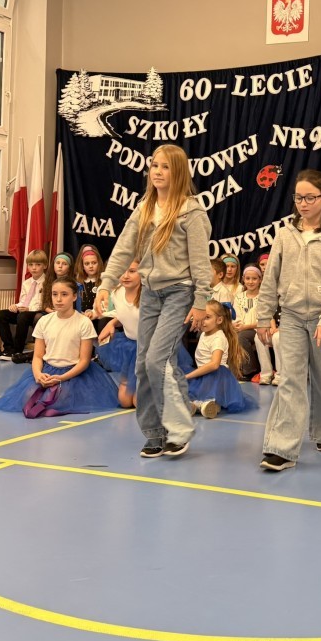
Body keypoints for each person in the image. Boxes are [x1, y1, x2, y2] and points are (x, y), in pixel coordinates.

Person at [94, 145, 212, 459]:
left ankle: (179, 430)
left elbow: (201, 262)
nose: (157, 172)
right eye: (154, 165)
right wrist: (106, 284)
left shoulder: (191, 211)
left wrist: (201, 300)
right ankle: (155, 433)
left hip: (179, 292)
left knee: (157, 360)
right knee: (143, 364)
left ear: (179, 172)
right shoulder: (145, 208)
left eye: (165, 167)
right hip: (150, 293)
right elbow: (123, 248)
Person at [257, 169, 321, 471]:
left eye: (310, 198)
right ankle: (281, 449)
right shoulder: (285, 235)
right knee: (290, 381)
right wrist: (263, 315)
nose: (304, 204)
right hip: (293, 317)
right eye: (299, 198)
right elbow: (270, 278)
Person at [0, 277, 119, 417]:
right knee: (28, 396)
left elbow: (84, 361)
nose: (58, 299)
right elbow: (38, 356)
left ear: (74, 296)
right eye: (55, 294)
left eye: (64, 294)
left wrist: (62, 378)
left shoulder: (83, 322)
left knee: (60, 399)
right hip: (48, 370)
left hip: (74, 373)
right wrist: (38, 375)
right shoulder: (44, 321)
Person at [186, 299, 258, 417]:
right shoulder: (204, 333)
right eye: (202, 317)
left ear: (219, 320)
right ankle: (200, 404)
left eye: (207, 317)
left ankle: (208, 404)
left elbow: (214, 365)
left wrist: (189, 376)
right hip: (205, 375)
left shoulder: (218, 338)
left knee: (192, 381)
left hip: (217, 377)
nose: (203, 321)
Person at [97, 260, 142, 409]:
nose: (126, 276)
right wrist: (112, 323)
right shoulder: (116, 293)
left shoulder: (150, 295)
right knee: (124, 401)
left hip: (151, 348)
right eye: (122, 271)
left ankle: (182, 399)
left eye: (132, 271)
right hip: (131, 347)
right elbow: (126, 313)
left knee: (139, 402)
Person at [0, 249, 47, 360]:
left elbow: (43, 303)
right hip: (24, 310)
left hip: (37, 312)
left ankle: (17, 351)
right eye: (31, 265)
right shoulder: (26, 283)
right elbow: (23, 300)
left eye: (38, 264)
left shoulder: (47, 282)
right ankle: (8, 349)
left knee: (22, 316)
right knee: (1, 314)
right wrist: (16, 306)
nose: (34, 268)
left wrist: (28, 308)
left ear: (45, 266)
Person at [234, 264, 275, 382]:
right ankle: (233, 369)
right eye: (248, 278)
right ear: (243, 279)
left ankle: (251, 370)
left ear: (260, 280)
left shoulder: (264, 297)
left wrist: (246, 326)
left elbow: (266, 317)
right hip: (242, 328)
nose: (251, 282)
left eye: (254, 279)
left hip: (258, 329)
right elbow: (236, 316)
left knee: (241, 337)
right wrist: (237, 325)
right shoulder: (239, 297)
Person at [75, 244, 105, 320]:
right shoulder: (78, 282)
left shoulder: (103, 281)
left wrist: (92, 313)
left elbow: (104, 304)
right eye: (87, 264)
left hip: (98, 317)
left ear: (99, 263)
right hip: (80, 316)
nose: (91, 266)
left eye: (94, 263)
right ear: (82, 266)